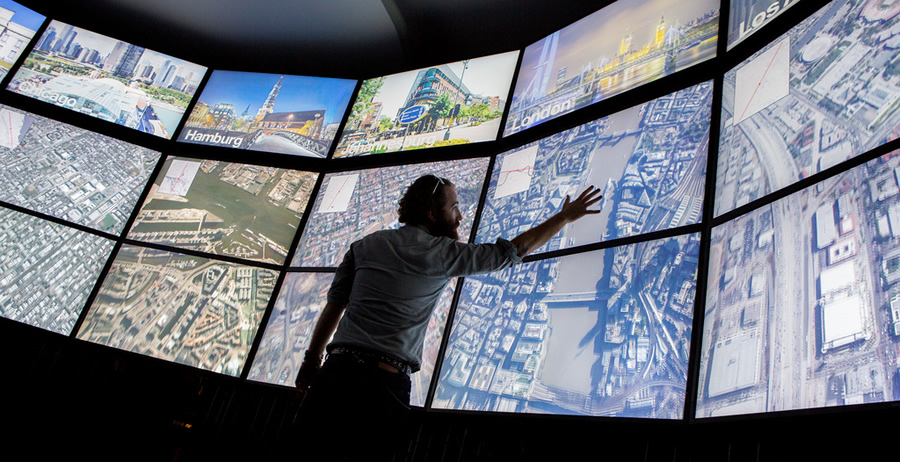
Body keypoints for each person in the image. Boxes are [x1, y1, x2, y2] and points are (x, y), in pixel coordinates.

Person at [294, 174, 601, 460]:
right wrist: (564, 217)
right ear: (431, 214)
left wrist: (311, 362)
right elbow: (511, 252)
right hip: (383, 385)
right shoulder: (443, 253)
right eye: (454, 207)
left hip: (335, 373)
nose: (460, 216)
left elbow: (334, 306)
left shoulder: (363, 246)